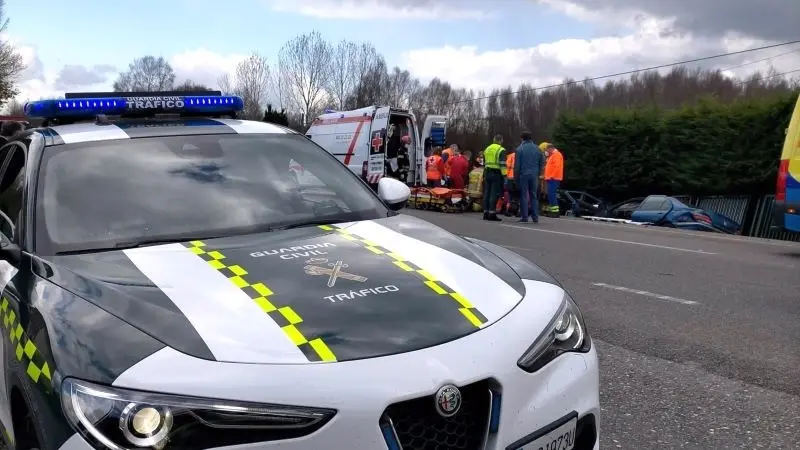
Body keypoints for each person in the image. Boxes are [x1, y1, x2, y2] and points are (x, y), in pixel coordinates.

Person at [515, 131, 546, 222]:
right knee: (534, 195)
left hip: (523, 174)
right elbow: (542, 162)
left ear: (522, 138)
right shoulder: (538, 149)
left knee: (524, 195)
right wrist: (539, 172)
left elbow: (517, 166)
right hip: (534, 175)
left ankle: (525, 217)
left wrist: (516, 178)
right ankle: (535, 217)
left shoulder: (520, 149)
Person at [482, 134, 507, 221]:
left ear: (494, 140)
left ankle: (485, 212)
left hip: (487, 172)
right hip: (496, 173)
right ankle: (492, 213)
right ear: (501, 141)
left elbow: (484, 162)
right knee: (494, 194)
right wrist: (505, 176)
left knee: (487, 193)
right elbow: (503, 164)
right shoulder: (501, 150)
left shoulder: (487, 149)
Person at [543, 143, 564, 217]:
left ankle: (555, 212)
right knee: (551, 194)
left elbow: (557, 167)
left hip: (554, 178)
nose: (547, 151)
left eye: (547, 150)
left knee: (552, 194)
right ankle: (553, 211)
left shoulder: (556, 155)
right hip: (551, 178)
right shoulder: (553, 155)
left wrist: (552, 176)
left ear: (550, 148)